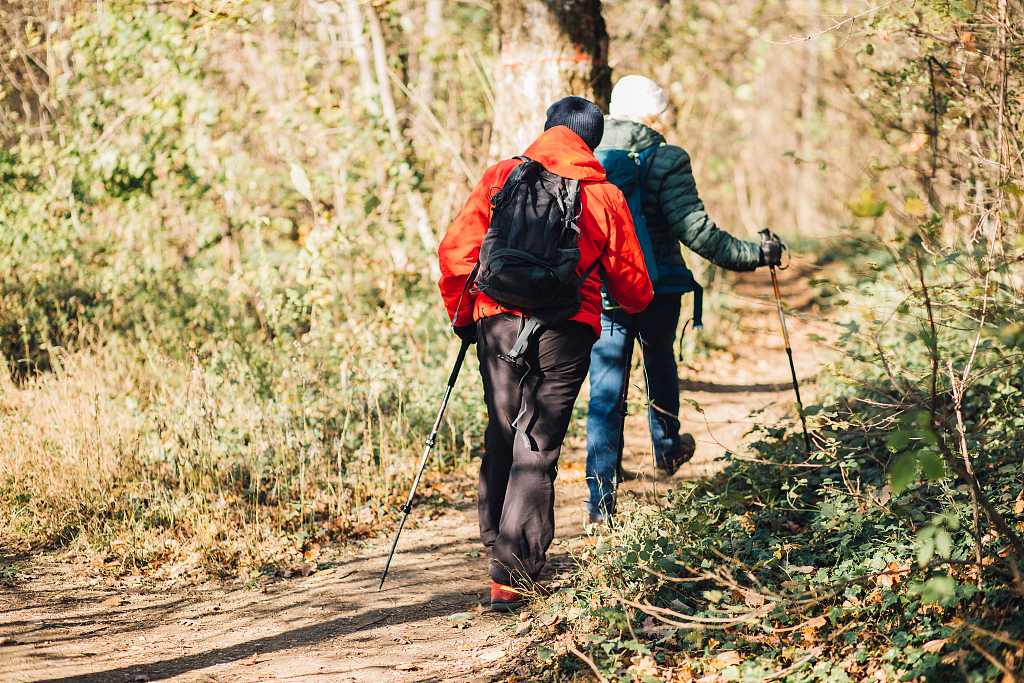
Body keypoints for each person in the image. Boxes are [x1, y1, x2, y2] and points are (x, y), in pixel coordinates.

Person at [438, 96, 653, 611]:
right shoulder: (603, 195)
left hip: (496, 317)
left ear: (546, 128)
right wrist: (631, 304)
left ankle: (495, 535)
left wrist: (464, 314)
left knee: (503, 424)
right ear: (593, 141)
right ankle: (511, 575)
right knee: (538, 438)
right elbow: (632, 284)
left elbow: (456, 251)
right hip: (568, 326)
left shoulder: (501, 176)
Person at [585, 75, 782, 522]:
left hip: (605, 289)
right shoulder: (667, 156)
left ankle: (600, 501)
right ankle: (668, 450)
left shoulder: (590, 157)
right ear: (655, 114)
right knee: (659, 365)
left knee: (605, 390)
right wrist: (756, 255)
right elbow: (697, 232)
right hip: (658, 288)